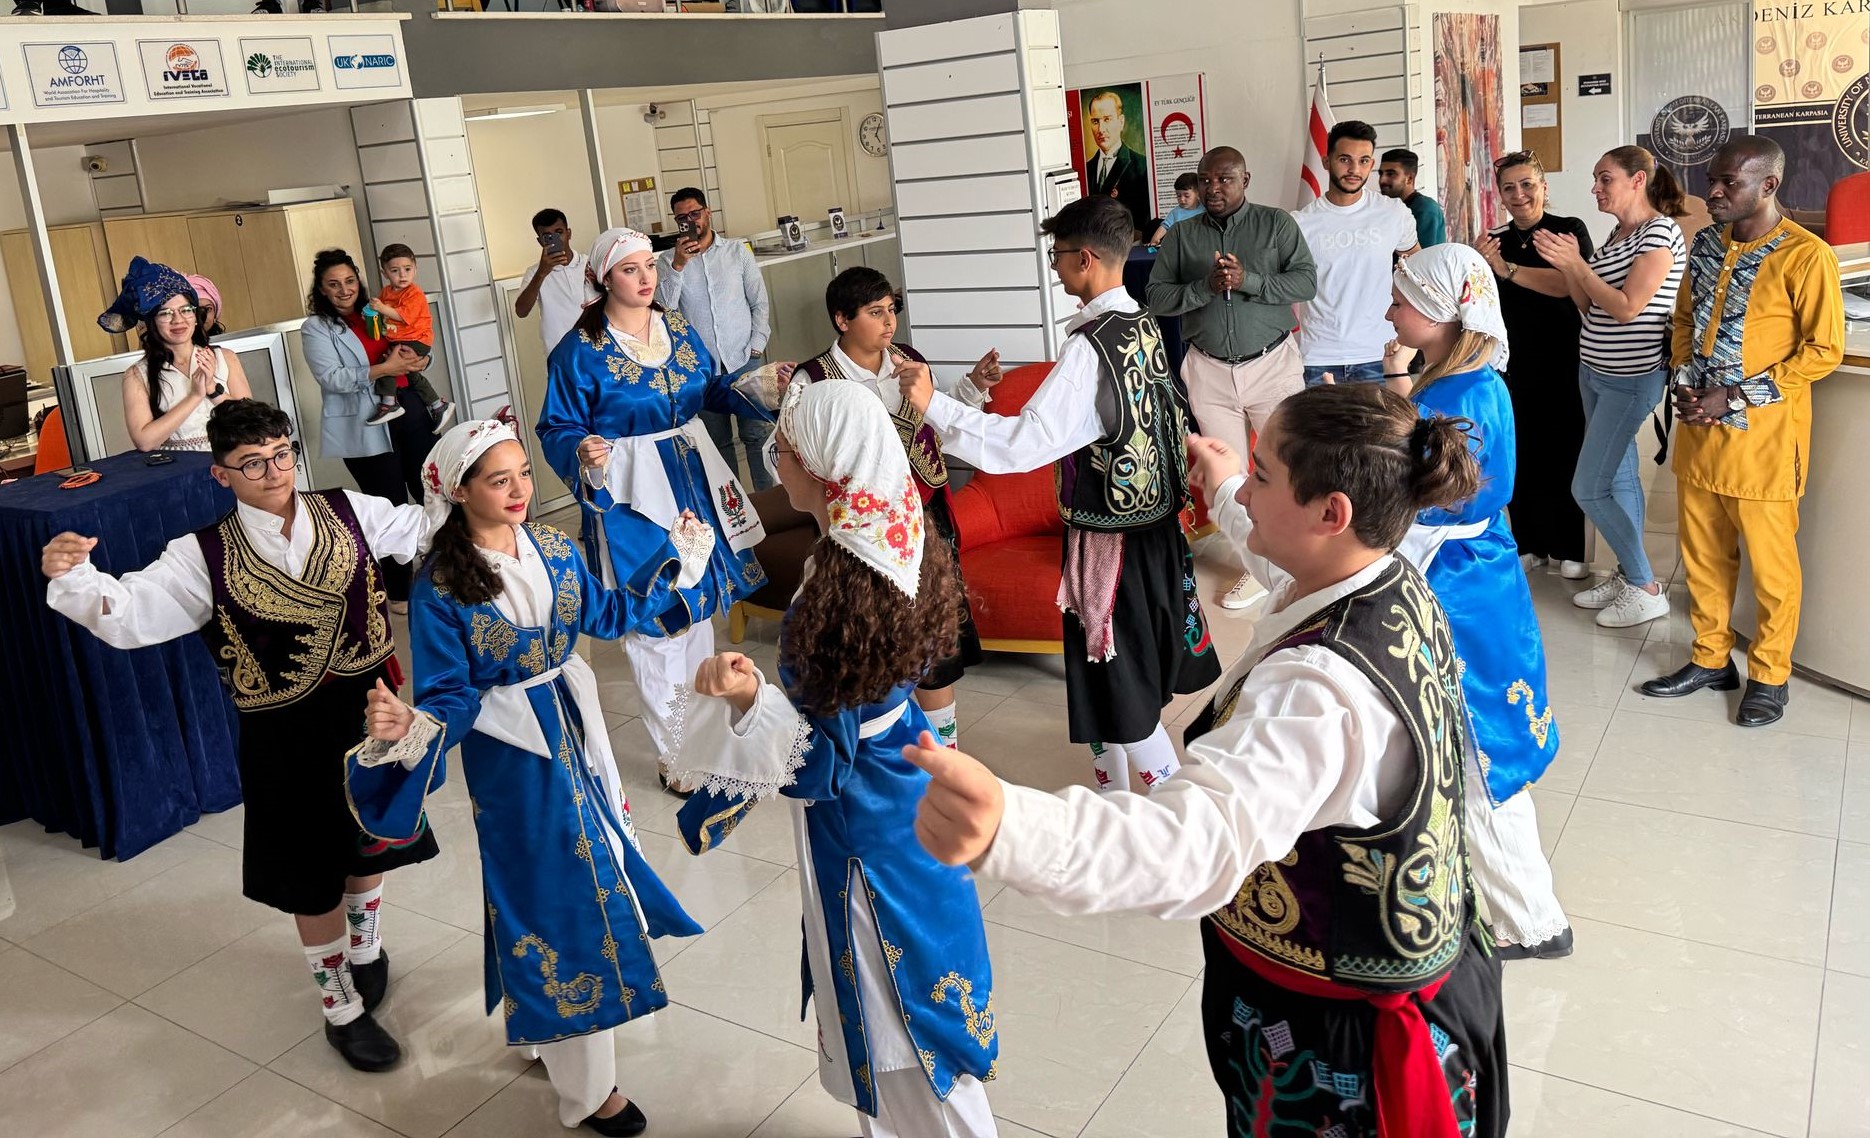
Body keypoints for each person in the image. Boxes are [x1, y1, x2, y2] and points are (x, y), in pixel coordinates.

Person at [905, 383, 1510, 1137]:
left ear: (1331, 513)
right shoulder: (1384, 577)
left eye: (1265, 476)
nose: (1247, 493)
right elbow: (1284, 564)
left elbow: (1198, 840)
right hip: (1418, 966)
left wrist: (1010, 825)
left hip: (1342, 1043)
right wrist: (1226, 483)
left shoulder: (1316, 694)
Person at [41, 399, 435, 1074]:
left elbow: (426, 529)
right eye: (252, 463)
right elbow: (130, 612)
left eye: (282, 454)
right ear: (220, 474)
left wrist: (473, 476)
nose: (274, 471)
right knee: (308, 870)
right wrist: (71, 574)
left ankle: (366, 948)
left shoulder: (351, 510)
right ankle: (338, 1004)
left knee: (368, 838)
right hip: (283, 736)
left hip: (367, 713)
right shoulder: (200, 555)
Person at [351, 419, 707, 1137]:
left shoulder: (552, 546)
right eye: (498, 479)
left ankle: (547, 1031)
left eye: (522, 473)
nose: (519, 490)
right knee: (558, 902)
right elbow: (451, 693)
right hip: (513, 757)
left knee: (566, 886)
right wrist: (412, 724)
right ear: (459, 491)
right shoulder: (441, 587)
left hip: (576, 731)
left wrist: (674, 560)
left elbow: (607, 613)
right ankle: (589, 1090)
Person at [668, 379, 998, 1138]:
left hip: (864, 824)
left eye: (782, 449)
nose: (774, 460)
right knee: (925, 986)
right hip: (904, 778)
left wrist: (748, 697)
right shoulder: (896, 534)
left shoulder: (839, 589)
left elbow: (820, 761)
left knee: (898, 1017)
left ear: (821, 469)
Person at [904, 196, 1220, 794]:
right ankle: (1116, 800)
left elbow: (1023, 444)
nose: (1054, 267)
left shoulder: (1087, 349)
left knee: (1121, 688)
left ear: (1085, 258)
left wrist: (933, 404)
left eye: (1057, 256)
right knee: (1115, 683)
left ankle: (1178, 811)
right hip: (1153, 532)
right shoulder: (1142, 323)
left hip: (1111, 545)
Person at [538, 227, 772, 797]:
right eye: (630, 269)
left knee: (696, 613)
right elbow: (556, 426)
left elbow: (710, 389)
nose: (646, 278)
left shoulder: (678, 329)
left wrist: (760, 386)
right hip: (631, 494)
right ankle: (676, 752)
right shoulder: (578, 351)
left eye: (649, 265)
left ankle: (705, 733)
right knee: (653, 621)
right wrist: (580, 450)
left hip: (692, 479)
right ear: (603, 278)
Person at [1385, 242, 1571, 959]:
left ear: (1439, 314)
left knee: (1477, 762)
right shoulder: (1475, 380)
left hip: (1454, 585)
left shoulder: (1450, 402)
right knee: (1479, 757)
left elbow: (1425, 502)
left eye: (1401, 301)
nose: (1390, 312)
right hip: (1480, 572)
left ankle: (1533, 923)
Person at [1642, 137, 1845, 728]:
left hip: (1763, 443)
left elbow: (1823, 351)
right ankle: (1711, 659)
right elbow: (1684, 320)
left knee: (1773, 570)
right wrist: (1685, 378)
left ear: (1768, 185)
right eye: (1713, 179)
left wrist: (1732, 395)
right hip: (1699, 435)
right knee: (1703, 556)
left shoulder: (1806, 256)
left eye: (1728, 182)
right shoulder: (1706, 244)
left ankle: (1770, 676)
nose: (1713, 192)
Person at [792, 266, 1002, 747]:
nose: (889, 322)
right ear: (842, 319)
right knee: (876, 635)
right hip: (860, 531)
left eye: (891, 310)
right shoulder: (814, 378)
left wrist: (973, 385)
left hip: (926, 515)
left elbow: (940, 418)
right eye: (874, 312)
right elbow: (789, 451)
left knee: (934, 637)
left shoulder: (910, 361)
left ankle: (945, 748)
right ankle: (886, 743)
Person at [1146, 145, 1315, 611]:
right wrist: (1204, 287)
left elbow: (1306, 282)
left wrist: (1247, 281)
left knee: (1289, 463)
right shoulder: (1182, 235)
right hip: (1209, 370)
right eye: (1205, 180)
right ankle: (1256, 566)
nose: (1213, 188)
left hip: (1272, 364)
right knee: (1230, 474)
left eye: (1224, 179)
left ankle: (1300, 559)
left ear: (1245, 179)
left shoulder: (1276, 224)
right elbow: (1157, 297)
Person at [1534, 145, 1686, 630]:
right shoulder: (1618, 234)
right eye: (1596, 179)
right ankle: (1628, 574)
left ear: (1638, 180)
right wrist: (1570, 269)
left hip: (1631, 378)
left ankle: (1645, 586)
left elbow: (1626, 308)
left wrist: (1577, 266)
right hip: (1594, 371)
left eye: (1605, 179)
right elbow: (1589, 306)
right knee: (1619, 478)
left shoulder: (1659, 233)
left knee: (1588, 487)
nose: (1595, 188)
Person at [1475, 151, 1595, 580]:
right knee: (1519, 450)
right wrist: (1484, 265)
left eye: (1527, 184)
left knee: (1565, 450)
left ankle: (1569, 547)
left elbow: (1567, 284)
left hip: (1564, 356)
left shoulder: (1568, 231)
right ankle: (1530, 543)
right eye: (1509, 187)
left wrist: (1504, 268)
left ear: (1544, 187)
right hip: (1511, 362)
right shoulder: (1492, 240)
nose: (1519, 194)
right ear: (1501, 195)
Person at [655, 187, 776, 491]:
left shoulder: (737, 251)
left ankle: (767, 504)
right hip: (702, 369)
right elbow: (664, 311)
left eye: (695, 213)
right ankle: (736, 510)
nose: (690, 221)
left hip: (744, 357)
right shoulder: (667, 262)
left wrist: (757, 345)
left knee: (758, 435)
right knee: (716, 444)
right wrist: (678, 266)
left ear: (707, 212)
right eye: (682, 218)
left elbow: (759, 302)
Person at [1292, 121, 1421, 389]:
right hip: (1318, 357)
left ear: (1371, 164)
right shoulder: (1300, 223)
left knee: (1390, 421)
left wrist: (1412, 333)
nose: (1354, 169)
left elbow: (1418, 270)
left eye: (1363, 161)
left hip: (1381, 353)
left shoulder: (1393, 213)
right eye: (1345, 159)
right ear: (1326, 162)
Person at [100, 257, 252, 453]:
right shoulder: (136, 375)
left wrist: (212, 388)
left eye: (186, 310)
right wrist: (195, 396)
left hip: (232, 461)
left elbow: (251, 423)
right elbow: (145, 442)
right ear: (151, 322)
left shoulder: (226, 358)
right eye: (165, 313)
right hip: (178, 467)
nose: (178, 320)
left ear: (195, 317)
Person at [363, 244, 456, 433]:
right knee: (412, 375)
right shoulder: (387, 292)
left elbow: (402, 316)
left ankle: (389, 403)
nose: (402, 275)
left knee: (387, 363)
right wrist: (372, 313)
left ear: (415, 268)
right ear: (384, 273)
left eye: (407, 269)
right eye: (395, 271)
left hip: (417, 339)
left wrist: (381, 308)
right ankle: (437, 405)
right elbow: (383, 314)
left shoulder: (414, 293)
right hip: (402, 339)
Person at [515, 208, 598, 357]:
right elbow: (521, 311)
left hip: (596, 345)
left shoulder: (590, 264)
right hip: (559, 352)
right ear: (540, 241)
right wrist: (542, 273)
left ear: (569, 233)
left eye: (559, 232)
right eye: (547, 236)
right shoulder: (534, 272)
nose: (555, 239)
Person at [1082, 90, 1152, 235]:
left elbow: (1143, 221)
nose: (1101, 129)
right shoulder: (1086, 169)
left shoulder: (1142, 166)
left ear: (1121, 122)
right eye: (1095, 121)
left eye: (1107, 119)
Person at [1379, 147, 1448, 248]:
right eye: (1381, 174)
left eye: (1390, 174)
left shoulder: (1425, 209)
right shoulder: (1388, 208)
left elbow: (1421, 255)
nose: (1382, 180)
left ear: (1409, 179)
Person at [1147, 172, 1203, 246]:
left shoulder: (1205, 210)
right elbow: (1164, 227)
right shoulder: (1175, 213)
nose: (1182, 199)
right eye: (1178, 195)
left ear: (1198, 193)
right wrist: (1154, 241)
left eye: (1186, 196)